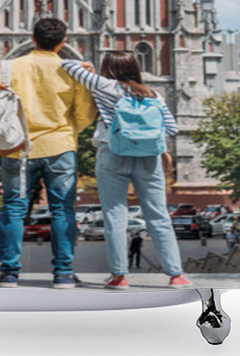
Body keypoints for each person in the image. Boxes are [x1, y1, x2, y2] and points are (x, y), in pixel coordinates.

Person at [61, 51, 192, 290]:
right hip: (149, 158)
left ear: (108, 68)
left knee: (115, 215)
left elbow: (67, 65)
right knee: (159, 216)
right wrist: (146, 139)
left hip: (113, 154)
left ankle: (119, 276)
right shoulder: (153, 94)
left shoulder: (104, 85)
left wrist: (85, 65)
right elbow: (172, 128)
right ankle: (176, 275)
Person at [0, 18, 97, 289]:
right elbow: (84, 113)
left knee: (13, 208)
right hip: (59, 147)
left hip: (16, 147)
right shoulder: (72, 70)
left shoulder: (8, 67)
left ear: (32, 39)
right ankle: (63, 274)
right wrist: (67, 131)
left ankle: (9, 273)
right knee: (62, 209)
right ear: (63, 42)